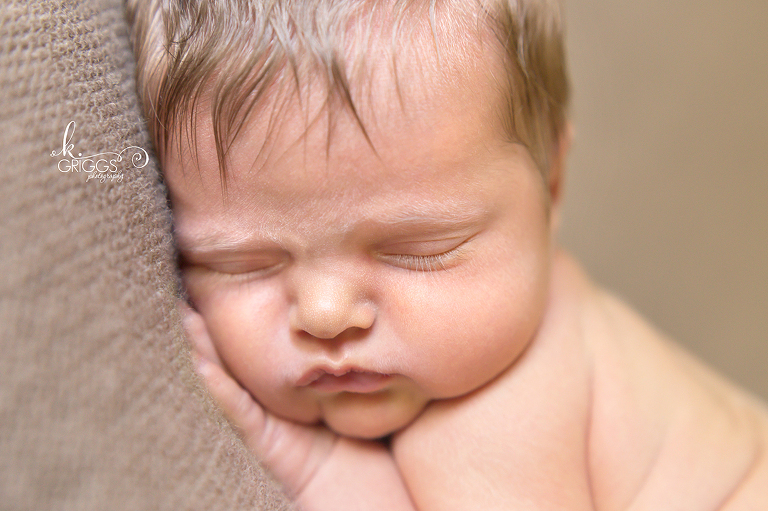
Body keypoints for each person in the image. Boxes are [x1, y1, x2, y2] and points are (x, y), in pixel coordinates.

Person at [127, 0, 768, 509]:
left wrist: (302, 458)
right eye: (242, 264)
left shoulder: (493, 420)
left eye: (418, 250)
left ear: (551, 185)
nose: (325, 314)